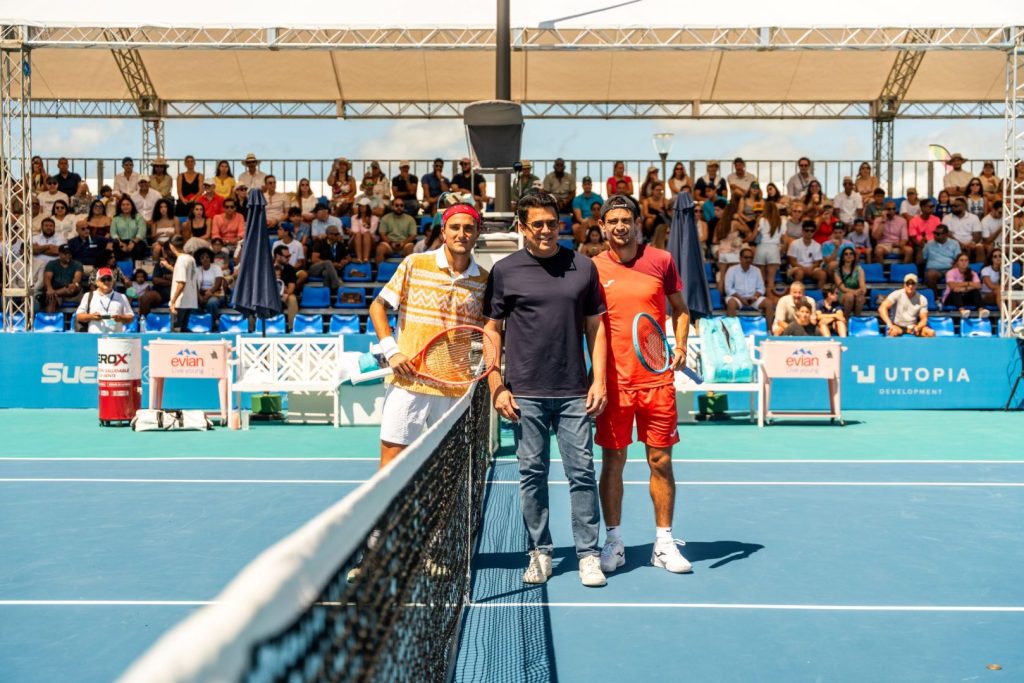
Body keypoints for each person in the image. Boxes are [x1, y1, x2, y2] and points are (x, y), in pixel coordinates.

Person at [485, 191, 609, 588]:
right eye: (535, 224)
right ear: (522, 227)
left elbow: (596, 326)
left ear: (560, 224)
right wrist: (496, 384)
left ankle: (589, 554)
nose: (544, 230)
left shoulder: (583, 266)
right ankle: (540, 552)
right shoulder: (504, 271)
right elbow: (492, 330)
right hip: (524, 394)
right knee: (531, 475)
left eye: (550, 223)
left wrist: (600, 378)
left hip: (574, 391)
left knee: (582, 474)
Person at [586, 194, 692, 575]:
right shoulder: (592, 267)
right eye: (612, 220)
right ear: (603, 226)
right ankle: (614, 542)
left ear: (636, 223)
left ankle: (664, 543)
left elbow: (682, 310)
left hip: (656, 380)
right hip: (613, 384)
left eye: (625, 219)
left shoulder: (661, 261)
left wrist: (679, 346)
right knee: (613, 461)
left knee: (660, 461)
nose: (619, 226)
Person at [369, 202, 489, 465]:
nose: (462, 234)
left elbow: (484, 331)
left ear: (477, 233)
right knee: (392, 460)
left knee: (450, 470)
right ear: (443, 232)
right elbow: (378, 306)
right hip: (408, 381)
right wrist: (392, 352)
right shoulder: (414, 263)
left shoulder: (484, 280)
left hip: (454, 388)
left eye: (468, 228)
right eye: (455, 227)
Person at [75, 267, 134, 333]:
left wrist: (121, 318)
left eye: (109, 279)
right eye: (103, 279)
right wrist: (91, 316)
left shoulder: (122, 297)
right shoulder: (88, 295)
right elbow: (79, 316)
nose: (106, 282)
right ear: (97, 282)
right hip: (94, 338)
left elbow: (131, 317)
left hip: (115, 338)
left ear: (113, 281)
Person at [725, 248, 772, 325]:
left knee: (769, 303)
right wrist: (741, 299)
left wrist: (755, 297)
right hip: (737, 298)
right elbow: (728, 288)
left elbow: (761, 288)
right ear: (740, 258)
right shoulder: (732, 270)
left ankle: (769, 331)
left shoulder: (756, 270)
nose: (748, 260)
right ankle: (731, 331)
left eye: (750, 258)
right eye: (746, 257)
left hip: (753, 298)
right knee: (731, 303)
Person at [879, 273, 934, 337]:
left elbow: (924, 319)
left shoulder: (922, 299)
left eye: (913, 283)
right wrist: (889, 324)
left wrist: (918, 327)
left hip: (913, 327)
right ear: (904, 284)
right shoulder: (896, 294)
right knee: (892, 332)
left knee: (930, 333)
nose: (910, 286)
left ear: (916, 285)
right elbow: (882, 308)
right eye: (908, 283)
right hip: (897, 326)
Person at [40, 244, 84, 313]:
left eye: (69, 254)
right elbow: (47, 277)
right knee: (51, 298)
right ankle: (50, 322)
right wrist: (49, 288)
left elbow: (77, 278)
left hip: (71, 291)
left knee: (73, 287)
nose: (68, 256)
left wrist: (74, 283)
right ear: (59, 254)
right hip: (56, 291)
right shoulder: (52, 264)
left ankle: (54, 293)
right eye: (65, 254)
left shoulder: (77, 264)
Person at [167, 236, 198, 332]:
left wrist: (173, 302)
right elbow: (185, 275)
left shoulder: (180, 260)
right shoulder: (190, 258)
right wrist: (168, 266)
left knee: (177, 331)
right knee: (183, 331)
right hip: (190, 301)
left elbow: (181, 283)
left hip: (180, 302)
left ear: (171, 246)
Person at [943, 252, 987, 320]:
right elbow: (952, 286)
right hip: (951, 298)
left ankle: (981, 310)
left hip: (965, 296)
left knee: (975, 291)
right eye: (961, 260)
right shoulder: (951, 272)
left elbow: (978, 285)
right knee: (955, 292)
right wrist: (970, 284)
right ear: (957, 262)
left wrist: (964, 288)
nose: (964, 262)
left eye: (966, 260)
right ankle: (962, 311)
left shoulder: (972, 273)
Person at [921, 224, 962, 295]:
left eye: (938, 234)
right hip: (934, 269)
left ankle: (950, 298)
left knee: (955, 274)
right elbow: (922, 259)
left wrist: (953, 268)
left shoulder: (954, 243)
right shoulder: (929, 244)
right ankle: (936, 298)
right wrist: (921, 247)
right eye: (934, 233)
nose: (935, 235)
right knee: (930, 275)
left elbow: (959, 259)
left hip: (949, 268)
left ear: (946, 234)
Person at [785, 220, 827, 288]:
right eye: (807, 230)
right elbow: (792, 261)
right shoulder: (794, 243)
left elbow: (817, 262)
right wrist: (803, 268)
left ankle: (819, 294)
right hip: (797, 267)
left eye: (812, 231)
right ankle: (798, 292)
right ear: (802, 231)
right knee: (800, 272)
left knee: (822, 274)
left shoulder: (817, 245)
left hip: (811, 268)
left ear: (814, 232)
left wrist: (811, 268)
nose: (809, 233)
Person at [307, 222, 348, 292]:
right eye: (336, 234)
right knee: (328, 262)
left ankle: (327, 293)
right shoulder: (320, 243)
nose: (338, 236)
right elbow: (314, 259)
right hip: (316, 268)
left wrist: (344, 261)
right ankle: (336, 283)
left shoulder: (340, 244)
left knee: (326, 273)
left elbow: (348, 257)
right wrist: (332, 264)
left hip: (330, 270)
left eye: (338, 234)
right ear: (329, 235)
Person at [376, 198, 417, 265]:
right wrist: (391, 243)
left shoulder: (410, 219)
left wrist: (403, 243)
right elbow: (382, 234)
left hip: (405, 245)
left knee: (411, 248)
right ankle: (380, 272)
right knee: (380, 249)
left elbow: (413, 235)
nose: (399, 207)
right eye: (397, 205)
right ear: (392, 207)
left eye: (401, 205)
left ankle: (409, 274)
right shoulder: (385, 218)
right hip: (389, 244)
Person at [943, 197, 984, 262]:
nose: (953, 208)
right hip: (954, 243)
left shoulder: (974, 217)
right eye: (952, 206)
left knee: (980, 248)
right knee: (958, 248)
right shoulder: (947, 217)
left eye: (956, 206)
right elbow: (948, 234)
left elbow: (977, 234)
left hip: (971, 243)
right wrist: (960, 244)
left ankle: (980, 270)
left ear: (964, 207)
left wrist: (972, 243)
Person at [754, 201, 783, 290]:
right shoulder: (780, 221)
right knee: (771, 280)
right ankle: (770, 297)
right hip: (774, 249)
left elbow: (754, 234)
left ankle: (762, 298)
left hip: (762, 247)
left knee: (761, 280)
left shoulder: (762, 220)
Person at [110, 195, 148, 262]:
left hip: (137, 241)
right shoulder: (116, 218)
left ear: (132, 206)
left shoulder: (138, 217)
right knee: (116, 246)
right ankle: (120, 269)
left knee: (138, 249)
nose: (125, 207)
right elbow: (113, 233)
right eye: (123, 205)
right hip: (121, 241)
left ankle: (136, 269)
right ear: (120, 206)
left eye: (128, 204)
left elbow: (142, 232)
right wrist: (121, 244)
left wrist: (133, 242)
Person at [31, 217, 65, 290]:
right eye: (46, 226)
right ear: (42, 227)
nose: (48, 227)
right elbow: (33, 250)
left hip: (55, 267)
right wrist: (49, 246)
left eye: (50, 226)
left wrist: (39, 248)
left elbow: (57, 251)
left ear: (54, 227)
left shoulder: (60, 237)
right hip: (37, 267)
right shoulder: (34, 238)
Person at [272, 245, 300, 327]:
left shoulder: (290, 269)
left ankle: (292, 328)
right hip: (269, 294)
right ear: (277, 256)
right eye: (286, 256)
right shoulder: (267, 267)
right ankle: (251, 329)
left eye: (289, 256)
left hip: (284, 294)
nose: (289, 258)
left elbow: (291, 287)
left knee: (292, 299)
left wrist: (285, 293)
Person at [195, 247, 226, 321]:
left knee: (212, 302)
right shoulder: (197, 270)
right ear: (199, 260)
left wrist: (208, 294)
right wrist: (199, 297)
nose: (205, 259)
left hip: (216, 293)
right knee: (193, 302)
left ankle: (211, 323)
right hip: (201, 293)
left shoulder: (216, 268)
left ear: (210, 258)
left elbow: (218, 284)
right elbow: (195, 285)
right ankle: (199, 323)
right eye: (202, 258)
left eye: (207, 257)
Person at [834, 246, 866, 317]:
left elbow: (862, 286)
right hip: (842, 293)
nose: (849, 255)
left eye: (851, 254)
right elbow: (842, 288)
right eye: (846, 254)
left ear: (854, 256)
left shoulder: (859, 269)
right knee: (849, 296)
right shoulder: (838, 271)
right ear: (842, 257)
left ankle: (857, 319)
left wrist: (860, 291)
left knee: (861, 297)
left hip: (857, 292)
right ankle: (846, 319)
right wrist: (854, 292)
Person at [350, 198, 379, 264]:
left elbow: (371, 231)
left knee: (366, 234)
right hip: (356, 239)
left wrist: (365, 222)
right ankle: (359, 258)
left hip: (370, 241)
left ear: (368, 207)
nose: (360, 208)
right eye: (359, 206)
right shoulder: (354, 217)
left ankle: (366, 258)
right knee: (358, 234)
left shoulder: (375, 219)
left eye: (363, 206)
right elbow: (355, 231)